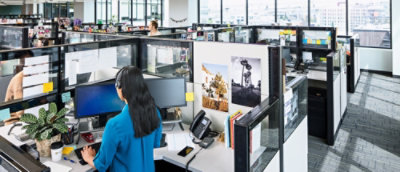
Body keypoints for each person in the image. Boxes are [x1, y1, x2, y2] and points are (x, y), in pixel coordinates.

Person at [81, 66, 163, 172]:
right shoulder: (155, 112)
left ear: (120, 88)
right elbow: (155, 143)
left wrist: (89, 158)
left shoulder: (114, 125)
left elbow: (101, 165)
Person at [4, 50, 33, 124]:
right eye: (25, 63)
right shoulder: (19, 79)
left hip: (29, 117)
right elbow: (21, 111)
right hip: (13, 120)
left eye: (31, 62)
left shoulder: (32, 77)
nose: (30, 66)